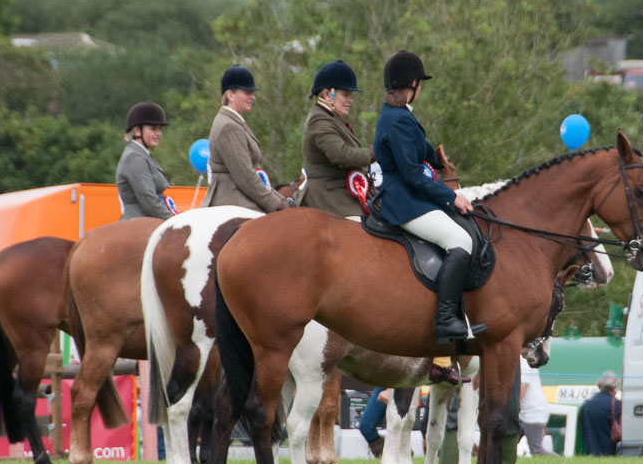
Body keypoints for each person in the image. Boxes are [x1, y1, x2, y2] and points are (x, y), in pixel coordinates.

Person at [373, 50, 485, 385]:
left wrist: (439, 165)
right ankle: (446, 319)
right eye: (419, 82)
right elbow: (411, 174)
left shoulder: (395, 114)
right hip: (403, 202)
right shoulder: (398, 120)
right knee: (460, 240)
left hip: (409, 196)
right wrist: (452, 196)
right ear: (412, 83)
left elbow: (422, 156)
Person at [201, 65, 288, 212]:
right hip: (232, 199)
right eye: (247, 92)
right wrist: (276, 204)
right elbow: (245, 176)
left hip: (240, 195)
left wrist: (280, 198)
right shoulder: (228, 126)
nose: (252, 97)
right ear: (230, 95)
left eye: (252, 93)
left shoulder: (234, 122)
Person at [297, 60, 375, 219]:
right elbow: (341, 154)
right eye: (346, 94)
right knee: (360, 230)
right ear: (327, 94)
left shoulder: (332, 118)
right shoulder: (319, 121)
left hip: (341, 193)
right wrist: (372, 153)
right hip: (328, 197)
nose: (350, 100)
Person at [116, 101, 174, 221]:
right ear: (137, 130)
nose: (158, 134)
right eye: (153, 129)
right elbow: (148, 199)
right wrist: (173, 220)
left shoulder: (143, 155)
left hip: (149, 220)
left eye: (160, 129)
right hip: (139, 222)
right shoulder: (134, 158)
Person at [519, 347, 555, 456]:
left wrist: (513, 407)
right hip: (524, 411)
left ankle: (565, 463)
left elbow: (523, 385)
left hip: (532, 411)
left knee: (536, 450)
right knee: (503, 447)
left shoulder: (522, 359)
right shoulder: (525, 358)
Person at [580, 370, 622, 456]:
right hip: (610, 453)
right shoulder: (616, 404)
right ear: (615, 387)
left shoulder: (586, 405)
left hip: (590, 454)